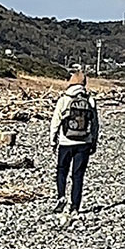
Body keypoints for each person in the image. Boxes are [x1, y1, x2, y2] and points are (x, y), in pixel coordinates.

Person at [48, 67, 100, 217]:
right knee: (78, 175)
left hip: (66, 141)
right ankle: (75, 206)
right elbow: (95, 125)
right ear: (84, 83)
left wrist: (53, 141)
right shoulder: (90, 100)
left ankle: (61, 196)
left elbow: (55, 123)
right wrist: (93, 141)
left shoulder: (64, 100)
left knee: (61, 170)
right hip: (84, 142)